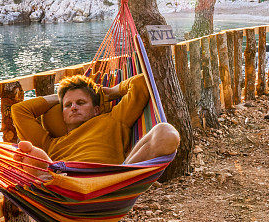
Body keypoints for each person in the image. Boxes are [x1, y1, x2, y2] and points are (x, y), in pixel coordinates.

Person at [11, 73, 180, 179]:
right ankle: (49, 177)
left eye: (81, 102)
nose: (74, 107)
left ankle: (47, 177)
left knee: (166, 132)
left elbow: (142, 82)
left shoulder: (113, 119)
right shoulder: (50, 143)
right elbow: (19, 110)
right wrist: (59, 97)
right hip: (69, 180)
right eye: (68, 105)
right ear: (61, 114)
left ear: (96, 109)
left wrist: (112, 92)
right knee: (34, 155)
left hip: (112, 180)